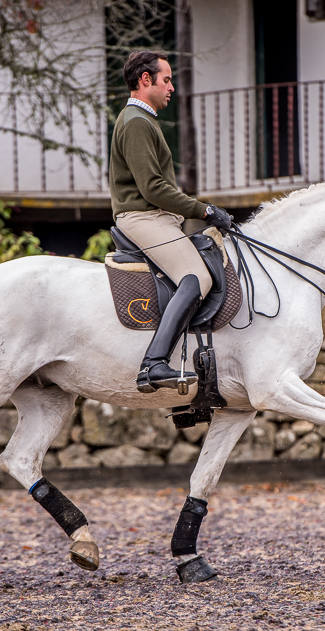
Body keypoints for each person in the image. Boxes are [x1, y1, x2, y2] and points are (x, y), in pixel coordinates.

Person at [110, 50, 233, 394]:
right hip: (144, 217)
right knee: (197, 279)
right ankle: (153, 364)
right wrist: (204, 211)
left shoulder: (142, 120)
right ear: (145, 80)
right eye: (167, 80)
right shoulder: (136, 122)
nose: (172, 87)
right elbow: (153, 188)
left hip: (155, 217)